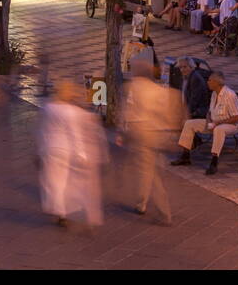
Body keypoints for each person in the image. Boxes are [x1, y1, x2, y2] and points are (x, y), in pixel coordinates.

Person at [36, 80, 108, 229]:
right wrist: (81, 154)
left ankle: (58, 210)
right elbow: (75, 134)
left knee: (53, 181)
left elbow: (42, 130)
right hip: (65, 150)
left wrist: (39, 149)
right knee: (63, 181)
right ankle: (62, 211)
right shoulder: (71, 111)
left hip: (50, 149)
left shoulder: (48, 108)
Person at [121, 61, 180, 225]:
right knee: (150, 169)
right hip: (158, 135)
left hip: (142, 134)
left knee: (150, 173)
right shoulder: (159, 91)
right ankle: (142, 202)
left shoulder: (134, 86)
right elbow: (168, 114)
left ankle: (162, 210)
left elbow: (129, 112)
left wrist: (124, 133)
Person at [171, 72, 238, 175]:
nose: (207, 82)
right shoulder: (214, 94)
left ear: (217, 82)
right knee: (189, 123)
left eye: (209, 80)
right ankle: (185, 156)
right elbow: (209, 112)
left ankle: (214, 162)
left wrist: (218, 123)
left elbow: (237, 118)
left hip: (230, 125)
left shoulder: (230, 95)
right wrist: (209, 121)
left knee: (219, 130)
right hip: (214, 122)